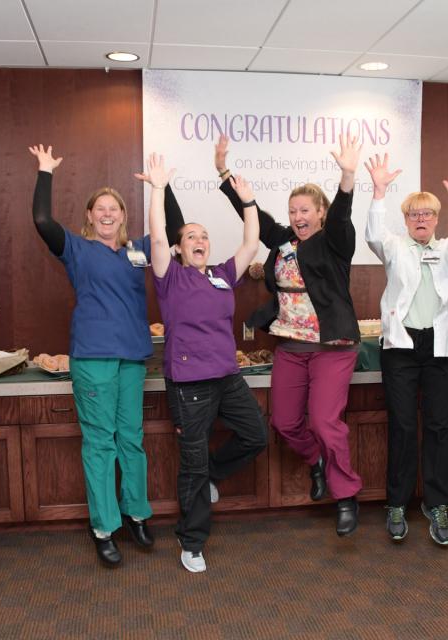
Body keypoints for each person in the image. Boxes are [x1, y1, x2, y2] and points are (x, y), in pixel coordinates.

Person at [28, 144, 185, 567]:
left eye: (114, 207)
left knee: (132, 440)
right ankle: (104, 527)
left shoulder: (138, 251)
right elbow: (42, 220)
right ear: (90, 216)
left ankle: (136, 514)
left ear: (122, 215)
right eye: (100, 208)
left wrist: (162, 187)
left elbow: (177, 226)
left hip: (133, 358)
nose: (107, 213)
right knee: (100, 443)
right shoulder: (77, 250)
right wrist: (46, 172)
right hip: (94, 358)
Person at [214, 133, 364, 536]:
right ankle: (315, 462)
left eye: (305, 210)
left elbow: (344, 216)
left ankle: (345, 495)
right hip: (291, 348)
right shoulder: (282, 243)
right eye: (293, 210)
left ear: (320, 213)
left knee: (324, 421)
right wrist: (225, 173)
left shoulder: (333, 244)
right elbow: (255, 216)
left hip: (332, 349)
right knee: (283, 422)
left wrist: (347, 176)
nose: (298, 216)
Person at [138, 153, 268, 573]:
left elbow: (251, 244)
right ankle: (191, 541)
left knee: (256, 435)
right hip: (189, 385)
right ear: (180, 247)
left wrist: (248, 204)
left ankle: (213, 475)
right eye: (191, 236)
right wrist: (158, 189)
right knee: (191, 465)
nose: (199, 240)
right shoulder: (169, 275)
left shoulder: (222, 274)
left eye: (205, 236)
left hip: (227, 379)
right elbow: (157, 239)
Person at [364, 154, 448, 545]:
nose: (422, 220)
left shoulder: (447, 249)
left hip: (440, 349)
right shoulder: (394, 247)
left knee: (438, 427)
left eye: (428, 214)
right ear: (406, 219)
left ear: (436, 218)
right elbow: (374, 235)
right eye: (414, 214)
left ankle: (436, 503)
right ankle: (396, 503)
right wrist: (378, 191)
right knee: (403, 426)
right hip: (401, 346)